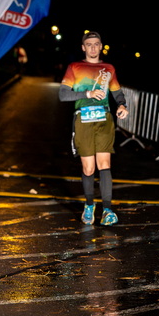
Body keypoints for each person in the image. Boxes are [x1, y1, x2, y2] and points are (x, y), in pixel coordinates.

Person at [58, 31, 128, 226]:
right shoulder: (74, 67)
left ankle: (107, 210)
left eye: (96, 44)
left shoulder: (108, 68)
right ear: (83, 47)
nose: (93, 47)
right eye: (89, 44)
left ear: (101, 46)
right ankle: (89, 205)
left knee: (104, 164)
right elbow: (63, 95)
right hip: (83, 119)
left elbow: (117, 93)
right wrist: (88, 93)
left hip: (104, 118)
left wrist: (122, 105)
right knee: (88, 168)